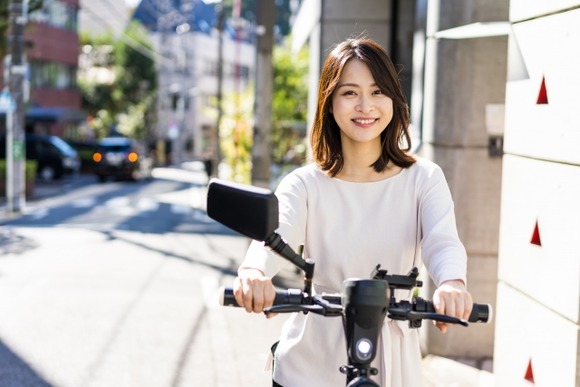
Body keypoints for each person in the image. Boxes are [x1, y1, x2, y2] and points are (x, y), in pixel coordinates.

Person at [232, 36, 473, 387]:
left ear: (393, 99)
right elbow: (276, 233)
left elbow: (443, 241)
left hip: (395, 364)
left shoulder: (424, 178)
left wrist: (452, 283)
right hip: (308, 367)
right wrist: (255, 272)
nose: (365, 105)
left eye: (377, 91)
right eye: (349, 93)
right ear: (329, 102)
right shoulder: (305, 183)